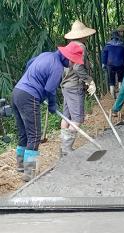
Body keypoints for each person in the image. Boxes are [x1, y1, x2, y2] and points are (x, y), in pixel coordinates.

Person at [12, 42, 84, 181]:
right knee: (34, 135)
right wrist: (52, 104)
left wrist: (32, 80)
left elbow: (29, 64)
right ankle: (29, 174)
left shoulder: (46, 55)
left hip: (17, 92)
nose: (72, 64)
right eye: (72, 61)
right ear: (66, 57)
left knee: (24, 133)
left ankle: (21, 166)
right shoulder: (57, 67)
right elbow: (50, 89)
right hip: (29, 96)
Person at [60, 20, 97, 157]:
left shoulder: (69, 46)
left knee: (66, 117)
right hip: (75, 86)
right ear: (82, 35)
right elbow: (77, 67)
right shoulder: (81, 46)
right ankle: (67, 149)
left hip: (66, 85)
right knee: (77, 118)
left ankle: (63, 149)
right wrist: (89, 81)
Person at [102, 25, 124, 98]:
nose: (123, 34)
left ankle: (112, 94)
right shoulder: (123, 44)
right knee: (121, 78)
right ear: (119, 33)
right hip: (120, 63)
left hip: (110, 64)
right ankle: (120, 92)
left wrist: (103, 63)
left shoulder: (108, 44)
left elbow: (104, 54)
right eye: (122, 32)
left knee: (111, 79)